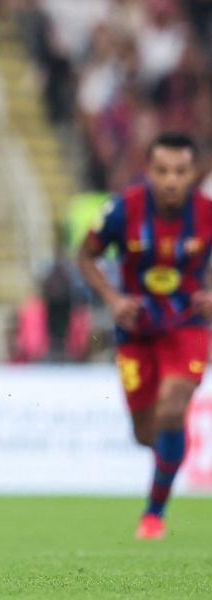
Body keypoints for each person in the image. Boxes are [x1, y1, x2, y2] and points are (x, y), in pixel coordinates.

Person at [77, 132, 212, 540]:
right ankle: (167, 463)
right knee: (145, 432)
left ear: (193, 174)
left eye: (180, 171)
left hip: (187, 322)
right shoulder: (124, 209)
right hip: (136, 327)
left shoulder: (206, 212)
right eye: (163, 171)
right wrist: (113, 299)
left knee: (173, 408)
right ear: (149, 170)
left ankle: (154, 514)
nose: (171, 180)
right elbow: (86, 255)